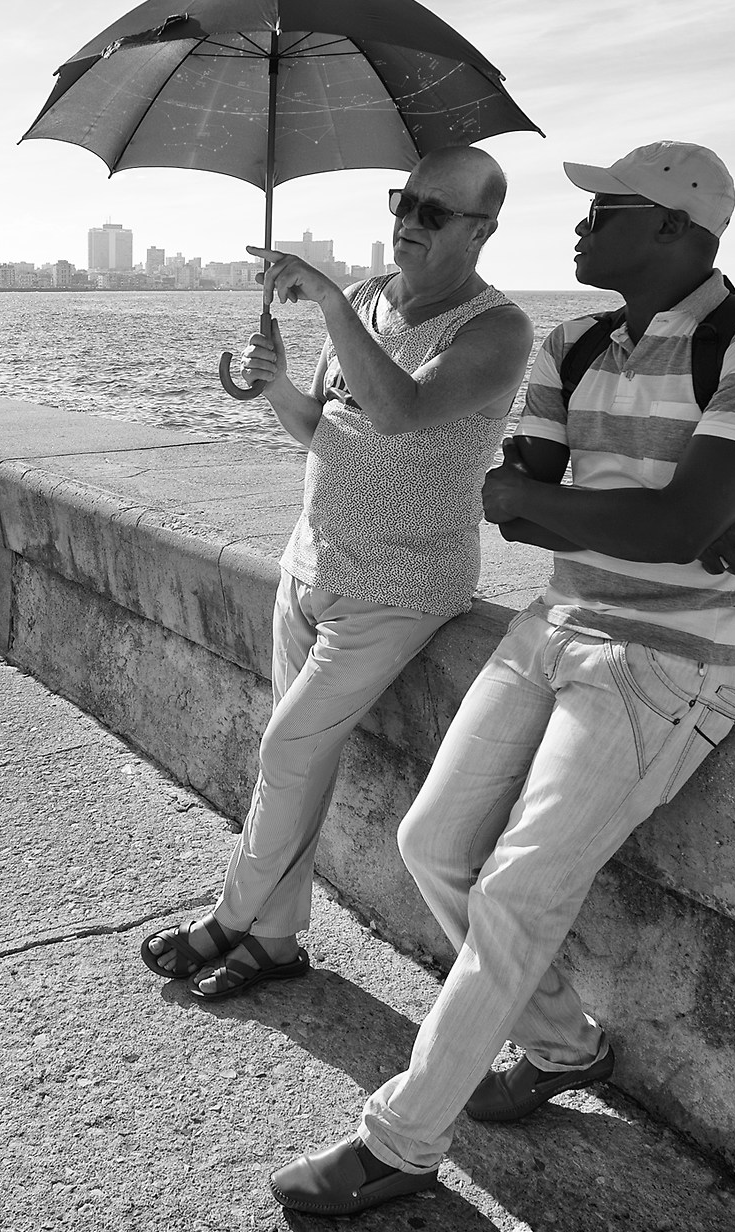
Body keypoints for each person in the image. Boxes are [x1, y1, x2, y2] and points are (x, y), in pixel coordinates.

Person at [267, 141, 735, 1216]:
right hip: (554, 624)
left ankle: (399, 1142)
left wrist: (649, 515)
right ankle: (567, 1046)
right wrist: (661, 515)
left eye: (606, 210)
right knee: (431, 843)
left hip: (670, 660)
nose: (579, 226)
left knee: (519, 890)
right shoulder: (573, 344)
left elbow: (651, 518)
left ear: (676, 229)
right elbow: (509, 502)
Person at [139, 145, 533, 1002]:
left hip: (402, 587)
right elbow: (325, 426)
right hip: (311, 561)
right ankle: (275, 942)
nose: (409, 221)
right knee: (299, 761)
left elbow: (398, 412)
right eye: (404, 201)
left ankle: (231, 919)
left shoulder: (496, 330)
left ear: (482, 230)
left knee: (286, 746)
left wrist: (322, 299)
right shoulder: (364, 301)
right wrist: (277, 384)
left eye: (434, 211)